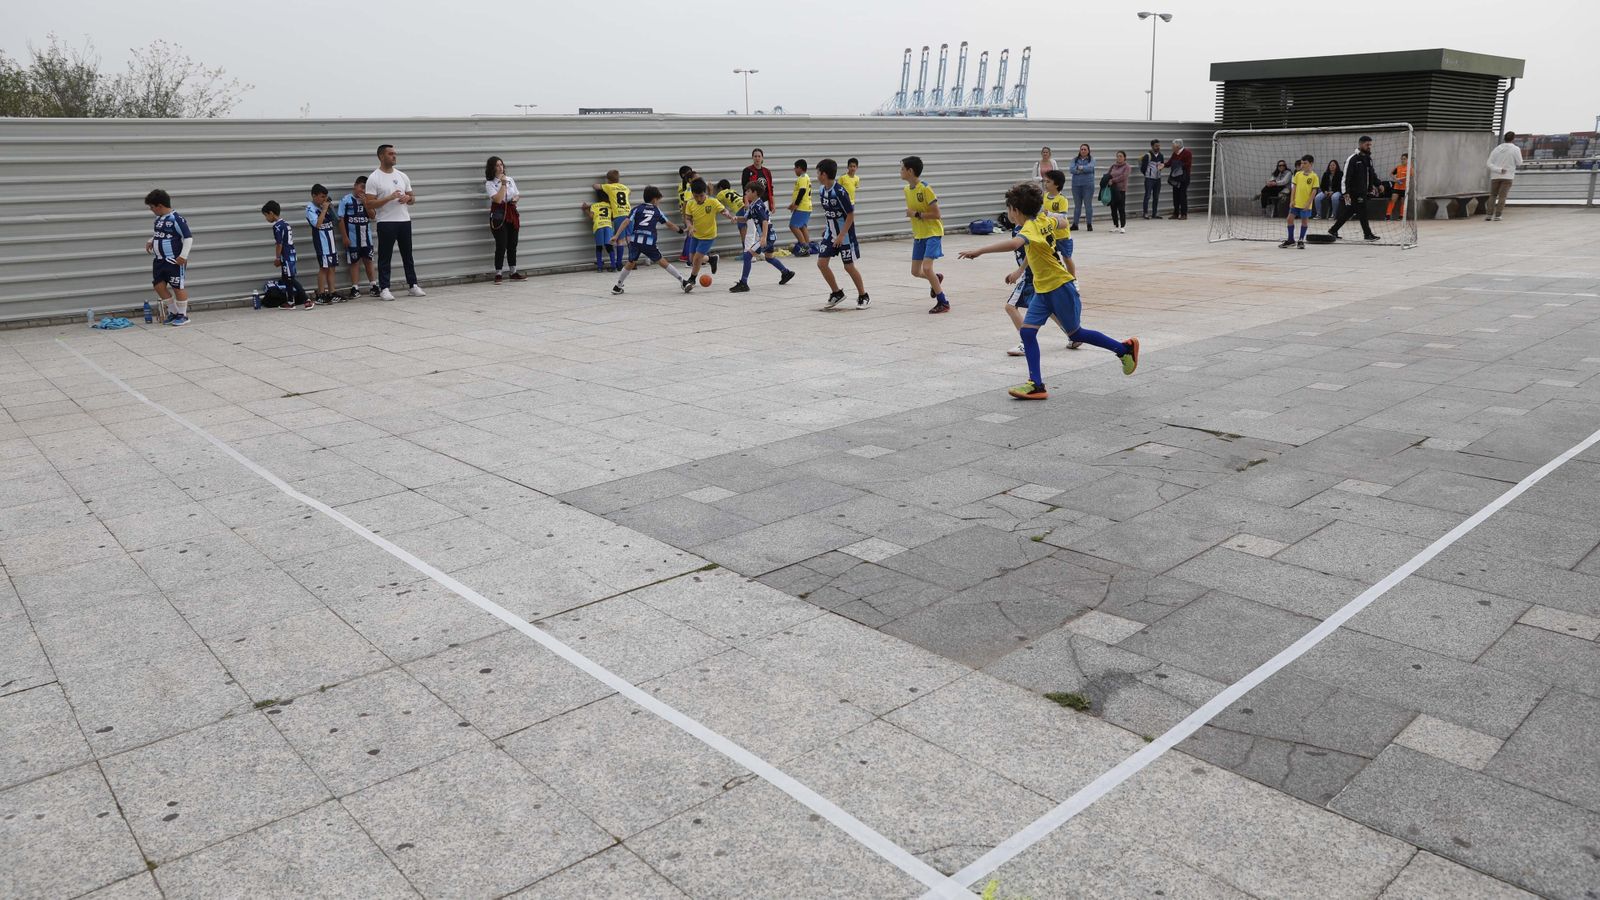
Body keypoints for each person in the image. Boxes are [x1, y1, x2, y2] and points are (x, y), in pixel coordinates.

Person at [959, 181, 1140, 400]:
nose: (1009, 214)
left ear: (1016, 210)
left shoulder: (1029, 227)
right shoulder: (1043, 219)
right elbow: (1058, 227)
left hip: (1060, 286)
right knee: (1027, 332)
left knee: (1076, 333)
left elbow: (1015, 244)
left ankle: (1124, 349)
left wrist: (979, 251)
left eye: (1009, 210)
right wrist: (1022, 267)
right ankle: (1036, 384)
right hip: (1043, 289)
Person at [364, 144, 424, 300]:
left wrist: (408, 198)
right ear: (381, 156)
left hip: (404, 220)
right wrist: (388, 198)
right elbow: (369, 204)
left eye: (395, 153)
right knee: (385, 256)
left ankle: (413, 285)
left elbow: (413, 198)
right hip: (386, 222)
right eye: (390, 154)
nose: (394, 156)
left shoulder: (402, 176)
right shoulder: (374, 178)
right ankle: (384, 288)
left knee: (407, 255)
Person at [610, 186, 689, 294]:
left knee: (630, 262)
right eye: (659, 201)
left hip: (635, 240)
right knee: (662, 261)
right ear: (655, 200)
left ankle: (617, 286)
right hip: (648, 241)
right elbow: (669, 224)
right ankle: (683, 281)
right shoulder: (656, 211)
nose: (659, 203)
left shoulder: (637, 209)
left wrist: (616, 235)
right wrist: (681, 231)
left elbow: (626, 222)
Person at [814, 158, 869, 310]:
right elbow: (829, 213)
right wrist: (828, 229)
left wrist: (841, 235)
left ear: (824, 174)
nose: (817, 176)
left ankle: (863, 295)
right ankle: (836, 292)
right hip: (830, 234)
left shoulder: (839, 192)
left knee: (849, 267)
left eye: (818, 173)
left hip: (844, 235)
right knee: (821, 263)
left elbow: (850, 215)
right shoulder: (821, 190)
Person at [901, 155, 949, 313]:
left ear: (910, 171)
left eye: (902, 168)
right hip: (919, 235)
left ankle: (943, 302)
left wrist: (915, 214)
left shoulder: (926, 188)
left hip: (933, 232)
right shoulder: (907, 189)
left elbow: (937, 214)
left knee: (927, 268)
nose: (900, 171)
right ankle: (936, 278)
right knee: (915, 272)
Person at [729, 179, 795, 293]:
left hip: (767, 236)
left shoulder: (758, 206)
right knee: (769, 257)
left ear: (755, 193)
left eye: (748, 191)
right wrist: (736, 218)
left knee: (747, 255)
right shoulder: (753, 205)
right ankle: (786, 273)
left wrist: (763, 237)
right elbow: (745, 218)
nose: (746, 194)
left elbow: (764, 221)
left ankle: (743, 283)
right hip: (769, 236)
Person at [143, 189, 193, 326]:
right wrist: (151, 240)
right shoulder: (158, 219)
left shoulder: (177, 219)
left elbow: (188, 238)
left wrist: (183, 256)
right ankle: (173, 312)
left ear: (159, 206)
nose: (151, 210)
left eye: (152, 207)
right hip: (159, 260)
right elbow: (160, 234)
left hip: (174, 260)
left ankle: (183, 315)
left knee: (177, 286)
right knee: (159, 286)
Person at [682, 177, 735, 292]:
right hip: (696, 234)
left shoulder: (712, 201)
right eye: (696, 196)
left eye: (701, 196)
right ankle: (711, 259)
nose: (699, 198)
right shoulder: (690, 203)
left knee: (696, 259)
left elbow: (723, 210)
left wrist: (729, 216)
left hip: (708, 236)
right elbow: (687, 218)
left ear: (705, 192)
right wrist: (690, 226)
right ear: (692, 194)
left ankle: (692, 279)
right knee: (691, 259)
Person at [1328, 135, 1382, 242]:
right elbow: (1345, 177)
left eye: (1370, 145)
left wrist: (1378, 184)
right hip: (1354, 192)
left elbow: (1372, 173)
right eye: (1367, 144)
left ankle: (1333, 230)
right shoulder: (1352, 159)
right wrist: (1345, 192)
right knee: (1363, 212)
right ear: (1361, 144)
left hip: (1363, 191)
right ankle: (1368, 234)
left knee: (1349, 212)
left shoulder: (1368, 159)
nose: (1369, 147)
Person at [260, 200, 311, 311]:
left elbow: (279, 244)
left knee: (290, 279)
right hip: (292, 254)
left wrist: (278, 258)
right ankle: (290, 302)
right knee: (286, 278)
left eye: (266, 216)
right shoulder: (286, 224)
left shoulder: (277, 226)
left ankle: (307, 300)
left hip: (286, 256)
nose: (266, 219)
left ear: (271, 213)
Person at [337, 176, 379, 299]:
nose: (363, 191)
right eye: (361, 187)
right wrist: (345, 237)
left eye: (365, 189)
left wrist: (366, 203)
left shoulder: (368, 200)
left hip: (366, 238)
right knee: (354, 262)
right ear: (355, 186)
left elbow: (372, 216)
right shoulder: (346, 200)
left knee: (368, 261)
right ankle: (355, 288)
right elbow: (340, 219)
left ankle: (373, 286)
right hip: (352, 239)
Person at [485, 156, 524, 282]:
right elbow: (497, 199)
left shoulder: (510, 179)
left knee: (513, 243)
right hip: (499, 214)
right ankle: (499, 273)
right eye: (497, 165)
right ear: (492, 168)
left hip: (511, 212)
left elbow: (517, 194)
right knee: (501, 244)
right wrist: (502, 183)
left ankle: (513, 272)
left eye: (501, 164)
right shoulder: (490, 183)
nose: (500, 167)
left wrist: (515, 199)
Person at [305, 184, 340, 304]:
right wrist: (324, 210)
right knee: (324, 268)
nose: (324, 200)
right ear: (314, 196)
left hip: (331, 241)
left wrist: (330, 208)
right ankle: (321, 293)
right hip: (321, 242)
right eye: (321, 197)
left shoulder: (324, 206)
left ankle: (332, 292)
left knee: (332, 267)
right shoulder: (310, 208)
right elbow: (317, 224)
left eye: (325, 197)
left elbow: (336, 221)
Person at [1280, 154, 1319, 249]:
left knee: (1304, 222)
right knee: (1289, 219)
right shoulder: (1298, 174)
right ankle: (1290, 240)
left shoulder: (1314, 176)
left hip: (1305, 204)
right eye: (1302, 163)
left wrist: (1308, 203)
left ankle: (1301, 240)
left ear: (1311, 163)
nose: (1303, 165)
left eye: (1305, 163)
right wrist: (1292, 200)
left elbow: (1314, 192)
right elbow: (1294, 188)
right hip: (1296, 203)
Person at [1486, 131, 1521, 221]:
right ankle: (1498, 215)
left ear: (1504, 138)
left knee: (1493, 195)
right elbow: (1519, 162)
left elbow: (1489, 163)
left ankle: (1489, 215)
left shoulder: (1497, 149)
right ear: (1513, 139)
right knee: (1502, 196)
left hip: (1495, 176)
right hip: (1508, 176)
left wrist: (1498, 169)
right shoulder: (1515, 149)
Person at [580, 189, 615, 272]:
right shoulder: (609, 205)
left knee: (599, 247)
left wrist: (586, 210)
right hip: (608, 226)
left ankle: (599, 267)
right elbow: (612, 217)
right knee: (609, 246)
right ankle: (613, 266)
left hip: (598, 226)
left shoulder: (594, 205)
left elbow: (591, 216)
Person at [788, 159, 813, 255]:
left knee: (793, 226)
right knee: (802, 226)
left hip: (802, 207)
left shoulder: (802, 178)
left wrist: (796, 205)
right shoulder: (806, 177)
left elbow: (802, 191)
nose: (794, 170)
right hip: (807, 206)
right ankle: (807, 247)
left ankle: (804, 246)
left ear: (799, 168)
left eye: (795, 168)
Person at [1069, 144, 1096, 231]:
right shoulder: (1074, 159)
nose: (1083, 151)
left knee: (1088, 205)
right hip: (1076, 185)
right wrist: (1083, 169)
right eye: (1082, 149)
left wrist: (1080, 168)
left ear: (1088, 150)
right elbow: (1071, 169)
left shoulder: (1092, 159)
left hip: (1088, 185)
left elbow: (1090, 168)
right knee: (1077, 206)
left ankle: (1089, 224)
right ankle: (1075, 224)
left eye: (1085, 149)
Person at [1164, 139, 1192, 219]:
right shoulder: (1175, 153)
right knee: (1175, 195)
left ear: (1177, 146)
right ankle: (1176, 213)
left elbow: (1187, 164)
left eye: (1173, 146)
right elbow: (1169, 163)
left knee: (1182, 195)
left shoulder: (1187, 153)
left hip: (1184, 177)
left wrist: (1177, 165)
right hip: (1175, 177)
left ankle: (1184, 214)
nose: (1172, 148)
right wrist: (1163, 165)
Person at [1138, 140, 1164, 219]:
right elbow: (1143, 168)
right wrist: (1148, 175)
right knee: (1147, 196)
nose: (1158, 147)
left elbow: (1162, 165)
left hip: (1158, 179)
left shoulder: (1161, 155)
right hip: (1149, 179)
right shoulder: (1147, 156)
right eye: (1156, 146)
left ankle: (1154, 213)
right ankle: (1145, 213)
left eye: (1159, 146)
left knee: (1156, 196)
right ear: (1152, 146)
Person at [716, 178, 746, 247]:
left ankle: (746, 251)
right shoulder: (733, 191)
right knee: (748, 230)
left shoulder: (721, 193)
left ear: (720, 188)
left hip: (740, 209)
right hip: (745, 206)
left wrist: (710, 192)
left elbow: (715, 203)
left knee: (742, 231)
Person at [1107, 151, 1131, 233]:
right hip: (1112, 189)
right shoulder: (1113, 166)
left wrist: (1113, 180)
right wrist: (1107, 180)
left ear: (1124, 157)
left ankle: (1122, 226)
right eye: (1117, 156)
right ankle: (1115, 225)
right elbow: (1108, 174)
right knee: (1113, 208)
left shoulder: (1127, 167)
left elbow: (1124, 176)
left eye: (1121, 156)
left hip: (1121, 190)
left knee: (1121, 208)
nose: (1119, 158)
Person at [1385, 153, 1410, 220]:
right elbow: (1391, 174)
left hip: (1405, 188)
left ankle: (1401, 216)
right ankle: (1387, 216)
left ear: (1408, 159)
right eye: (1401, 159)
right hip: (1397, 187)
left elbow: (1410, 176)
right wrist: (1396, 179)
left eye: (1404, 159)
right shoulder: (1398, 167)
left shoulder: (1410, 168)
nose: (1402, 160)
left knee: (1403, 201)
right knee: (1393, 200)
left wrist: (1402, 179)